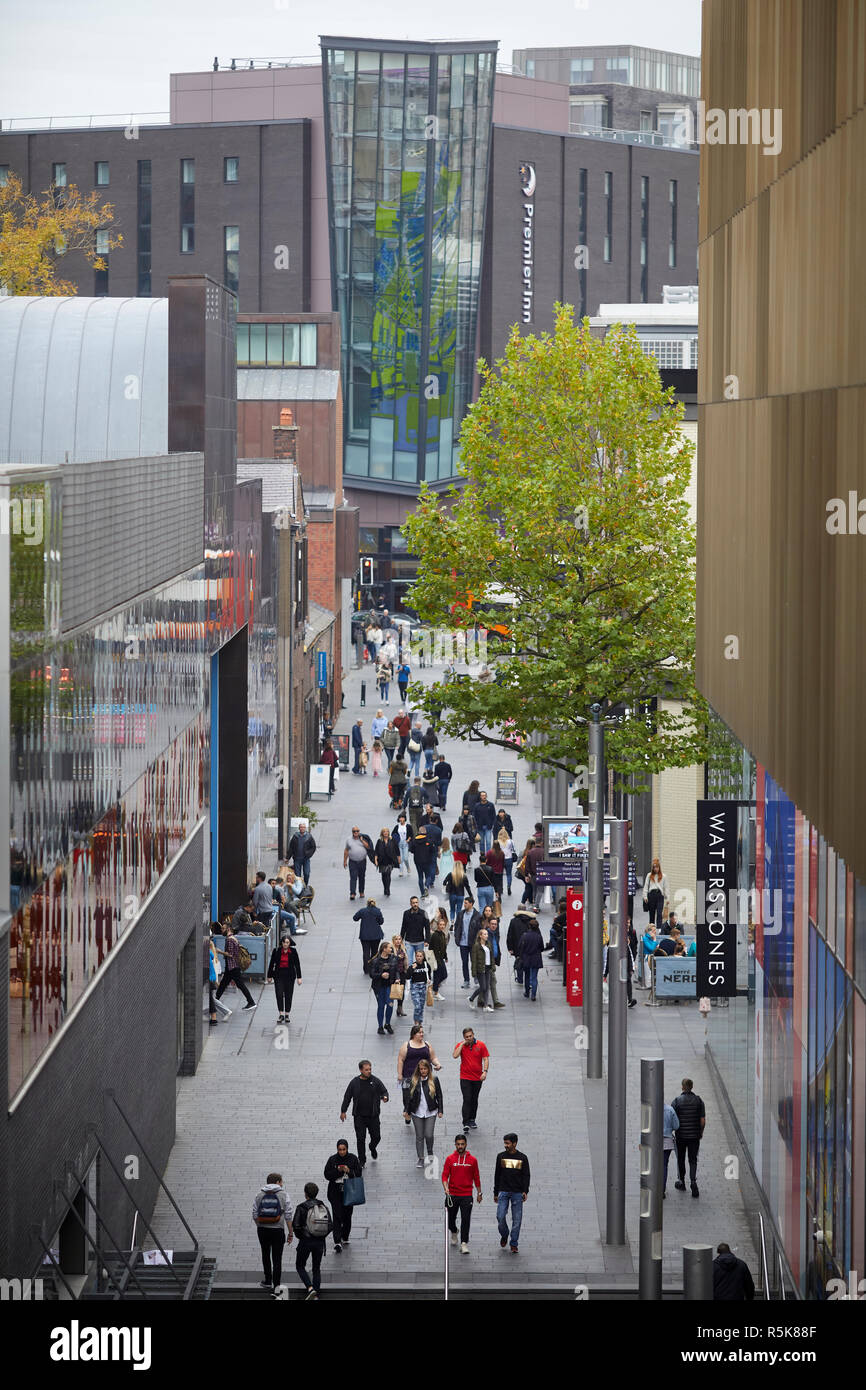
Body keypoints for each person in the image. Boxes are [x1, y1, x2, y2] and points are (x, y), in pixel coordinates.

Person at [340, 1060, 389, 1165]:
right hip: (359, 1117)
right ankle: (361, 1160)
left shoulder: (375, 1081)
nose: (369, 1071)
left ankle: (372, 1146)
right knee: (360, 1139)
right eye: (366, 1070)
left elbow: (384, 1091)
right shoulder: (354, 1082)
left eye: (370, 1069)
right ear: (361, 1070)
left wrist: (385, 1097)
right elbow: (347, 1096)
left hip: (373, 1116)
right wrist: (343, 1111)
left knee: (377, 1137)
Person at [252, 1172, 292, 1294]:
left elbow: (254, 1214)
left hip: (263, 1230)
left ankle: (268, 1280)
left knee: (265, 1254)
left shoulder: (259, 1195)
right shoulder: (284, 1195)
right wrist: (291, 1233)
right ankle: (277, 1286)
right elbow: (288, 1215)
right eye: (281, 1181)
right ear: (278, 1182)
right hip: (278, 1230)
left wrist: (259, 1225)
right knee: (277, 1258)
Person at [442, 1134, 482, 1253]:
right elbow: (444, 1175)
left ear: (466, 1144)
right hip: (452, 1194)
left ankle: (464, 1243)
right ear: (455, 1145)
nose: (460, 1146)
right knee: (450, 1220)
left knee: (466, 1219)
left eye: (462, 1144)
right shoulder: (450, 1159)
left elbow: (476, 1177)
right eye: (458, 1144)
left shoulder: (472, 1160)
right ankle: (454, 1231)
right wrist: (446, 1187)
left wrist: (479, 1193)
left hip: (466, 1194)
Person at [292, 1181, 332, 1301]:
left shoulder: (302, 1207)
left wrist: (303, 1237)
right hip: (319, 1242)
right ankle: (316, 1295)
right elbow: (330, 1225)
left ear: (306, 1194)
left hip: (306, 1241)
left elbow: (296, 1226)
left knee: (300, 1265)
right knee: (316, 1268)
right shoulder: (323, 1207)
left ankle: (310, 1288)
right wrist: (321, 1235)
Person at [493, 1134, 531, 1253]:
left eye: (508, 1143)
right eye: (505, 1143)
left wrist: (525, 1190)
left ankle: (514, 1242)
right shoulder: (500, 1157)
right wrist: (495, 1192)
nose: (506, 1146)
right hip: (503, 1191)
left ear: (515, 1143)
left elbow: (526, 1176)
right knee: (500, 1216)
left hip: (517, 1192)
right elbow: (497, 1175)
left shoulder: (522, 1158)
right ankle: (504, 1234)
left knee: (517, 1219)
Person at [324, 1140, 362, 1253]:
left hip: (349, 1191)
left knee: (347, 1215)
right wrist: (338, 1171)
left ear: (347, 1149)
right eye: (339, 1150)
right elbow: (327, 1175)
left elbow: (358, 1173)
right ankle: (337, 1241)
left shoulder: (353, 1159)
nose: (341, 1152)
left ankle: (345, 1236)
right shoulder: (332, 1159)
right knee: (336, 1215)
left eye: (343, 1149)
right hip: (335, 1192)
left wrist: (348, 1171)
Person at [404, 1060, 444, 1167]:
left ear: (429, 1069)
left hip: (431, 1111)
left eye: (425, 1069)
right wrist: (406, 1111)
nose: (423, 1071)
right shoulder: (414, 1080)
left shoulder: (434, 1080)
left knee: (429, 1135)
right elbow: (409, 1097)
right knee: (419, 1136)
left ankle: (430, 1151)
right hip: (417, 1112)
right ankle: (421, 1158)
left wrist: (440, 1110)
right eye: (421, 1069)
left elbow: (439, 1095)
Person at [397, 1023, 441, 1121]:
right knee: (407, 1096)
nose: (421, 1034)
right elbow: (400, 1060)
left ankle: (420, 1113)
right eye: (419, 1032)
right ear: (413, 1034)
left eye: (422, 1032)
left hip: (425, 1076)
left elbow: (433, 1057)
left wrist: (437, 1064)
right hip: (409, 1076)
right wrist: (400, 1074)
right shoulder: (406, 1045)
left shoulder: (427, 1044)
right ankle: (407, 1111)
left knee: (423, 1096)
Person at [672, 1078, 706, 1197]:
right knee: (693, 1159)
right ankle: (693, 1182)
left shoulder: (677, 1101)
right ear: (692, 1087)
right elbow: (702, 1121)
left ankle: (681, 1181)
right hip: (694, 1137)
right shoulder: (698, 1101)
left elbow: (673, 1119)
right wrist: (700, 1132)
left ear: (682, 1087)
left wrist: (673, 1131)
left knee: (681, 1158)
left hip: (681, 1136)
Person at [453, 1026, 489, 1132]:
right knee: (467, 1098)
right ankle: (465, 1122)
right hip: (465, 1077)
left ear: (473, 1034)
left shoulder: (481, 1045)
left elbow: (485, 1059)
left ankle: (472, 1119)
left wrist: (485, 1071)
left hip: (477, 1077)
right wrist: (462, 1045)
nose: (469, 1038)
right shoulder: (461, 1045)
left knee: (474, 1099)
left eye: (470, 1036)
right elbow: (455, 1055)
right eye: (466, 1037)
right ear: (464, 1037)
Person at [214, 923, 257, 1010]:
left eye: (223, 928)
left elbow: (230, 954)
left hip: (232, 967)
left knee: (239, 985)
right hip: (232, 967)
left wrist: (219, 951)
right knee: (223, 984)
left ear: (228, 929)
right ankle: (215, 1001)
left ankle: (251, 1002)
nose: (221, 930)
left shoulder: (229, 939)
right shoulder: (233, 938)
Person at [266, 932, 302, 1023]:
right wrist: (269, 975)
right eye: (284, 942)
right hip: (278, 975)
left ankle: (287, 1014)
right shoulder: (277, 951)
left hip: (290, 976)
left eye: (287, 942)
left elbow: (297, 964)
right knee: (279, 993)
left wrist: (299, 977)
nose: (285, 944)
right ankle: (281, 1013)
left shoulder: (293, 952)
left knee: (288, 995)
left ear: (289, 943)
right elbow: (271, 964)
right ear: (281, 943)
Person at [368, 942, 397, 1034]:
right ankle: (380, 1026)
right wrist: (381, 975)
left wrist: (397, 978)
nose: (391, 950)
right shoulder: (376, 961)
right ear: (384, 949)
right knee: (381, 1006)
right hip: (379, 987)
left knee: (390, 1005)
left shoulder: (393, 958)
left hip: (390, 985)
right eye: (389, 948)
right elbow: (372, 974)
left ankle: (387, 1024)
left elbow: (396, 971)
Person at [506, 905, 537, 986]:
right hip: (529, 946)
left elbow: (510, 935)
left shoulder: (513, 921)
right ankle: (528, 979)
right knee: (528, 962)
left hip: (517, 946)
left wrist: (510, 947)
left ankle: (520, 979)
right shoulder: (531, 920)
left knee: (519, 961)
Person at [454, 895, 481, 987]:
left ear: (471, 904)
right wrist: (456, 936)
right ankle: (466, 980)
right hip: (463, 943)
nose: (464, 905)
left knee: (474, 961)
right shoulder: (461, 914)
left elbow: (479, 929)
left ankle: (476, 978)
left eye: (466, 903)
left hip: (473, 943)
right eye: (464, 903)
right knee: (464, 962)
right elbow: (457, 926)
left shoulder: (477, 915)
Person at [517, 915, 545, 1000]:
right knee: (534, 977)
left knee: (527, 976)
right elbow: (542, 948)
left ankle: (527, 992)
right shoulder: (539, 936)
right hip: (536, 959)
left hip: (526, 959)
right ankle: (533, 994)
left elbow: (519, 946)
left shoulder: (524, 936)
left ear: (529, 926)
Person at [353, 897, 385, 971]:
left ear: (367, 903)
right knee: (375, 952)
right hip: (376, 935)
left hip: (365, 936)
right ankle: (373, 967)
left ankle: (366, 968)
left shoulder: (362, 911)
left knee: (366, 952)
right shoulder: (377, 911)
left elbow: (355, 918)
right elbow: (381, 922)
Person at [469, 926, 496, 1011]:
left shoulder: (488, 944)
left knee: (487, 987)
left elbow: (491, 957)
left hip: (488, 967)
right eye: (484, 934)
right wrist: (473, 971)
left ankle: (485, 1006)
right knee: (483, 987)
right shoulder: (476, 946)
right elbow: (474, 959)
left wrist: (493, 966)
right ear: (480, 936)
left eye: (487, 934)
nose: (486, 935)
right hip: (480, 968)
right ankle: (472, 998)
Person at [406, 947, 434, 1025]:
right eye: (417, 956)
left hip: (423, 987)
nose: (419, 958)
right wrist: (412, 969)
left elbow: (429, 976)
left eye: (420, 956)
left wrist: (428, 981)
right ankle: (416, 1021)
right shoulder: (413, 965)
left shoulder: (426, 965)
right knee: (417, 1006)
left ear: (423, 957)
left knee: (421, 1006)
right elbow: (407, 976)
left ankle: (420, 1021)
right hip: (415, 987)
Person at [344, 825, 372, 900]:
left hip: (362, 861)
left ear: (359, 831)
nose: (356, 832)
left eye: (357, 831)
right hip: (352, 861)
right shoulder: (349, 839)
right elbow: (346, 850)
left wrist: (362, 840)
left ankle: (361, 892)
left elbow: (368, 847)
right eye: (354, 831)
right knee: (353, 877)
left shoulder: (363, 838)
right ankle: (352, 893)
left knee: (362, 877)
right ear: (352, 832)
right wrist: (344, 861)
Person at [410, 825, 437, 897]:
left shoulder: (415, 840)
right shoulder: (429, 840)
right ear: (425, 832)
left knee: (420, 876)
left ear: (419, 832)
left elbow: (411, 850)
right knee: (428, 875)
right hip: (427, 860)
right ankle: (426, 886)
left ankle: (422, 893)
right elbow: (433, 851)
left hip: (417, 861)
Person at [429, 907, 450, 998]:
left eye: (443, 925)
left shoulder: (442, 934)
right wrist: (437, 960)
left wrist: (445, 956)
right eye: (440, 925)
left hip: (440, 958)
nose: (442, 926)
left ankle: (434, 988)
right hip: (436, 958)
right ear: (438, 925)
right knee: (439, 975)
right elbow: (434, 948)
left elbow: (443, 947)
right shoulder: (436, 935)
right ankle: (436, 992)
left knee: (443, 975)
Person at [287, 821, 317, 886]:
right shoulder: (295, 836)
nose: (302, 828)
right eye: (301, 827)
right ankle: (299, 886)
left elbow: (313, 847)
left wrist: (309, 854)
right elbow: (291, 848)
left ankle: (305, 885)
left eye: (303, 827)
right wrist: (287, 858)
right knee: (298, 875)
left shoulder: (309, 837)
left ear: (305, 828)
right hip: (297, 859)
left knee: (307, 873)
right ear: (299, 828)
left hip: (306, 859)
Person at [642, 857, 669, 929]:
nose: (655, 869)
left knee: (659, 913)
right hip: (651, 895)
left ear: (659, 867)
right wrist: (645, 896)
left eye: (657, 867)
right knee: (652, 913)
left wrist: (667, 898)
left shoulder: (664, 876)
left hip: (660, 895)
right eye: (654, 867)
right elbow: (646, 886)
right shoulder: (649, 875)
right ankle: (651, 928)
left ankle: (659, 929)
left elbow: (666, 887)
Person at [374, 827, 399, 897]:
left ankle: (388, 889)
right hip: (382, 861)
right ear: (382, 833)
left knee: (388, 874)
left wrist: (398, 859)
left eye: (387, 831)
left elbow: (397, 849)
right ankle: (385, 887)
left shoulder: (392, 840)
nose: (386, 833)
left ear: (389, 832)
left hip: (390, 860)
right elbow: (376, 851)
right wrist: (376, 860)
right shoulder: (379, 841)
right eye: (384, 832)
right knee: (383, 875)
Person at [662, 1098, 680, 1196]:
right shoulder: (670, 1109)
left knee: (654, 1165)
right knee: (664, 1165)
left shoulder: (651, 1110)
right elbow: (676, 1125)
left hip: (654, 1142)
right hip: (667, 1141)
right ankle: (662, 1189)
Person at [443, 859, 469, 925]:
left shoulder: (450, 874)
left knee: (452, 909)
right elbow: (467, 886)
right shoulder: (464, 876)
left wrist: (447, 886)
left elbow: (444, 882)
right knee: (459, 910)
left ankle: (452, 922)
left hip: (452, 894)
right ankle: (458, 922)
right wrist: (470, 895)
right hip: (460, 895)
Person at [390, 936, 409, 1017]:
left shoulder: (403, 949)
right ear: (393, 941)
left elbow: (406, 961)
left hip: (402, 972)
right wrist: (397, 958)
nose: (398, 941)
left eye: (399, 939)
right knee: (393, 991)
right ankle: (389, 1007)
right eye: (396, 939)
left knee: (401, 991)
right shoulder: (391, 950)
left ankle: (399, 1008)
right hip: (393, 974)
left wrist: (407, 970)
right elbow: (390, 961)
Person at [497, 826, 516, 896]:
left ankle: (501, 888)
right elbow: (514, 849)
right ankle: (509, 886)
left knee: (500, 874)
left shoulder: (498, 842)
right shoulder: (510, 841)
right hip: (509, 859)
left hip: (500, 859)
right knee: (509, 874)